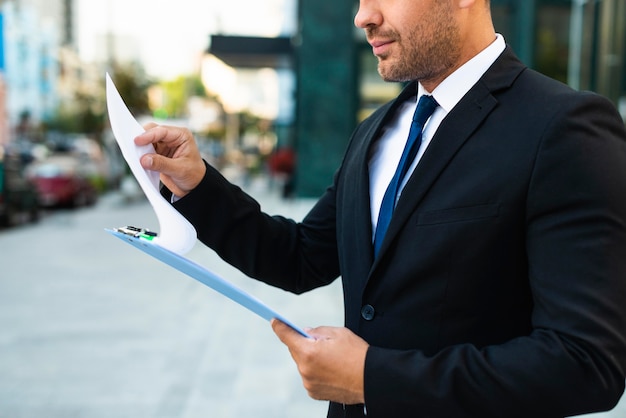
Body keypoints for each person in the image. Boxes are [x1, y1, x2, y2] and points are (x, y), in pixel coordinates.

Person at [135, 0, 626, 416]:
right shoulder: (376, 131)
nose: (362, 15)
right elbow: (302, 256)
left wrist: (374, 378)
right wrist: (198, 185)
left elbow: (586, 363)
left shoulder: (562, 127)